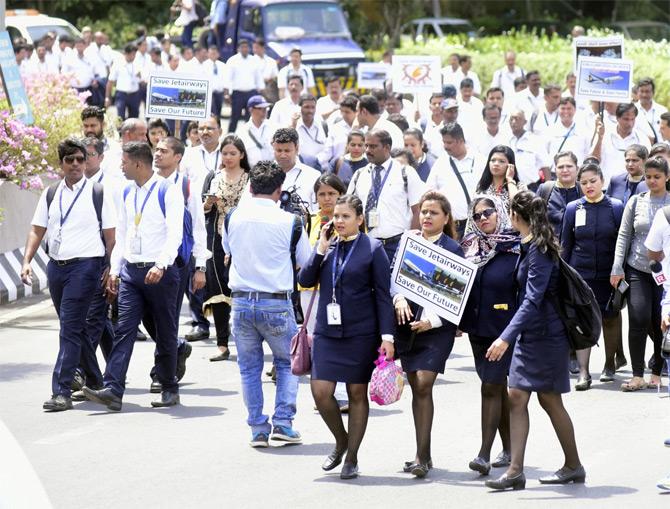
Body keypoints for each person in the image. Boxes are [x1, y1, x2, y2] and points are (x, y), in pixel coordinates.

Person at [485, 191, 584, 491]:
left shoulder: (539, 250)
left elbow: (532, 299)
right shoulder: (528, 243)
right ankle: (516, 470)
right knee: (517, 395)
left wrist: (505, 337)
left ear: (517, 217)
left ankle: (573, 465)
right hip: (532, 335)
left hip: (546, 336)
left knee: (550, 400)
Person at [298, 194, 394, 480]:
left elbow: (384, 297)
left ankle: (352, 456)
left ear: (360, 219)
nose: (338, 221)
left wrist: (387, 337)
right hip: (328, 331)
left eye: (345, 216)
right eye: (336, 216)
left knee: (355, 393)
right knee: (321, 392)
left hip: (361, 332)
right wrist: (319, 249)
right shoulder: (328, 246)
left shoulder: (373, 249)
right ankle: (341, 441)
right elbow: (304, 280)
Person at [83, 142, 184, 410]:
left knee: (165, 330)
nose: (121, 167)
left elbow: (175, 233)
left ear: (138, 163)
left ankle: (169, 386)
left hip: (160, 273)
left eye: (124, 162)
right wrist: (115, 270)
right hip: (131, 273)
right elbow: (124, 234)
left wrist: (161, 264)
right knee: (124, 329)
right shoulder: (127, 191)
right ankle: (114, 388)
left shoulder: (167, 190)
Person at [21, 138, 116, 411]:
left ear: (86, 162)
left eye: (79, 159)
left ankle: (61, 391)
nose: (75, 164)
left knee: (70, 328)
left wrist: (110, 268)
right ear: (61, 164)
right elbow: (37, 229)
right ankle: (97, 382)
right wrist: (27, 260)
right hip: (57, 267)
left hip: (86, 267)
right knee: (76, 328)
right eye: (69, 160)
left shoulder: (97, 193)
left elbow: (111, 237)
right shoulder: (51, 193)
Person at [223, 160, 311, 447]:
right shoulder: (291, 221)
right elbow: (306, 263)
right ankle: (283, 423)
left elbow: (227, 250)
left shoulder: (232, 216)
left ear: (250, 187)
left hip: (241, 302)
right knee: (287, 364)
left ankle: (258, 429)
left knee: (249, 369)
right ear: (279, 190)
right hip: (275, 302)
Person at [393, 192, 463, 477]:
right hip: (407, 323)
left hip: (436, 328)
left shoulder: (454, 249)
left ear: (446, 218)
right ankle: (426, 452)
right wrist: (397, 297)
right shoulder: (408, 242)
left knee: (423, 384)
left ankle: (420, 457)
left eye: (434, 212)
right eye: (423, 211)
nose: (426, 217)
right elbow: (393, 275)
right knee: (416, 387)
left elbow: (457, 296)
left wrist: (431, 321)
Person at [460, 195, 520, 476]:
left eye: (488, 212)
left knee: (491, 387)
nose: (483, 218)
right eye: (477, 215)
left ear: (500, 213)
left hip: (505, 331)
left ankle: (484, 454)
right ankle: (509, 448)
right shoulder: (469, 248)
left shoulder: (515, 247)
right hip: (478, 329)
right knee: (494, 387)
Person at [561, 163, 624, 389]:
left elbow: (622, 241)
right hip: (581, 275)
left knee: (610, 318)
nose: (588, 186)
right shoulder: (572, 208)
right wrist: (563, 274)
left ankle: (609, 364)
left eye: (592, 181)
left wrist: (620, 270)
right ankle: (584, 373)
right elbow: (565, 245)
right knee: (582, 322)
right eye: (584, 182)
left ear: (602, 181)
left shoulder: (616, 207)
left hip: (609, 275)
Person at [611, 156, 670, 391]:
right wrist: (617, 267)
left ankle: (656, 371)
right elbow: (624, 235)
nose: (652, 181)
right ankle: (637, 374)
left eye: (657, 177)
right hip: (637, 268)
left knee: (659, 321)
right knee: (638, 318)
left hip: (664, 274)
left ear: (667, 177)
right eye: (648, 177)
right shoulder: (636, 201)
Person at [300, 174, 350, 410]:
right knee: (317, 342)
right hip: (310, 290)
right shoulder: (309, 220)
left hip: (338, 291)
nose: (327, 198)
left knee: (339, 340)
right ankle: (322, 394)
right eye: (322, 194)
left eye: (332, 193)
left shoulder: (350, 221)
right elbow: (303, 257)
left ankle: (341, 393)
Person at [202, 135, 250, 361]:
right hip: (217, 239)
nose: (228, 157)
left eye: (233, 153)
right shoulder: (213, 176)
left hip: (243, 240)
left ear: (241, 155)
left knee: (241, 291)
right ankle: (222, 343)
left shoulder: (250, 179)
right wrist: (209, 203)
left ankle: (245, 342)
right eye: (225, 153)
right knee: (219, 290)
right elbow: (202, 209)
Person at [347, 129, 424, 260]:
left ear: (387, 147)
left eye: (373, 146)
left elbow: (417, 210)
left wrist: (410, 245)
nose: (367, 150)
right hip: (367, 245)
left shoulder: (405, 172)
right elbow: (350, 208)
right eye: (366, 145)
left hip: (396, 245)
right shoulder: (360, 174)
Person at [426, 122, 487, 238]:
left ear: (460, 141)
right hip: (451, 228)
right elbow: (429, 192)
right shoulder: (440, 163)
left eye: (449, 142)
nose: (445, 146)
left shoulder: (480, 161)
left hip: (477, 225)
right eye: (444, 142)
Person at [591, 103, 652, 184]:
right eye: (626, 119)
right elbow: (594, 159)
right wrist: (600, 138)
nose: (630, 124)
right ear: (617, 118)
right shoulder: (604, 134)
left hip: (634, 187)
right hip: (606, 186)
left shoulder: (642, 138)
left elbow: (647, 165)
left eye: (632, 119)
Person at [537, 151, 582, 238]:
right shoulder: (545, 189)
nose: (565, 170)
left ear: (577, 169)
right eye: (560, 167)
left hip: (577, 248)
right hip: (549, 246)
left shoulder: (583, 190)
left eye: (569, 166)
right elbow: (535, 219)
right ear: (555, 170)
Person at [224, 40, 263, 133]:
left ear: (249, 49)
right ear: (239, 48)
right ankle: (229, 137)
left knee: (250, 118)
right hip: (237, 93)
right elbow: (227, 78)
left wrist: (260, 93)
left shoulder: (254, 60)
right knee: (234, 117)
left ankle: (249, 137)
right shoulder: (232, 60)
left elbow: (258, 77)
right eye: (243, 47)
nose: (245, 49)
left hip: (251, 93)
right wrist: (226, 93)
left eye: (246, 47)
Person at [505, 109, 551, 187]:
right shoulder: (506, 140)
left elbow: (545, 166)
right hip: (511, 186)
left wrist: (548, 188)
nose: (513, 122)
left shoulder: (535, 140)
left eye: (517, 119)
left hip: (531, 187)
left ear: (525, 122)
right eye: (511, 119)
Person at [474, 145, 524, 213]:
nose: (496, 164)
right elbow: (474, 213)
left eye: (502, 161)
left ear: (510, 165)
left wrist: (509, 179)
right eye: (493, 160)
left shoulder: (519, 186)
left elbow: (517, 206)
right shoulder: (483, 186)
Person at [105, 43, 141, 121]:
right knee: (120, 118)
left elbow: (142, 79)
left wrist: (140, 75)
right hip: (121, 95)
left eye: (135, 54)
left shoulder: (137, 62)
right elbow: (110, 81)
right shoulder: (118, 63)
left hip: (134, 94)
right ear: (126, 54)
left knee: (134, 119)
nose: (134, 56)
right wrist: (107, 97)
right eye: (132, 54)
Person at [239, 95, 277, 167]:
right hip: (251, 171)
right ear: (251, 109)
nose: (264, 111)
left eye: (266, 108)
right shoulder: (242, 131)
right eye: (260, 108)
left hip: (272, 171)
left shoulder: (274, 127)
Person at [296, 94, 327, 170]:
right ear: (300, 108)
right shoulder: (294, 127)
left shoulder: (323, 125)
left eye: (313, 107)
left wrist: (315, 162)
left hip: (320, 169)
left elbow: (327, 150)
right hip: (301, 169)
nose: (310, 111)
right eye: (307, 107)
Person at [634, 77, 667, 144]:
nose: (644, 95)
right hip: (639, 151)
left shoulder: (662, 111)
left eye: (647, 91)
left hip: (659, 150)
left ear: (653, 92)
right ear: (637, 92)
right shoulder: (632, 110)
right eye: (642, 91)